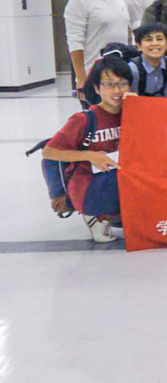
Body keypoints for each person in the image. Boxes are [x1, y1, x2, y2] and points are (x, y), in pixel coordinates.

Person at [42, 55, 131, 243]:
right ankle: (95, 216)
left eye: (122, 83)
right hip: (90, 183)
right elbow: (48, 152)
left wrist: (142, 109)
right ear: (97, 88)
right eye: (109, 84)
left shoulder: (131, 113)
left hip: (116, 178)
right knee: (120, 175)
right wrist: (90, 156)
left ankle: (116, 215)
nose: (117, 90)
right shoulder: (84, 119)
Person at [64, 0, 130, 99]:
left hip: (120, 73)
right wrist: (81, 79)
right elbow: (75, 42)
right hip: (93, 75)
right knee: (97, 120)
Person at [128, 23, 167, 98]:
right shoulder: (133, 69)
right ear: (139, 46)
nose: (155, 43)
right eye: (149, 39)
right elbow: (133, 100)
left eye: (159, 39)